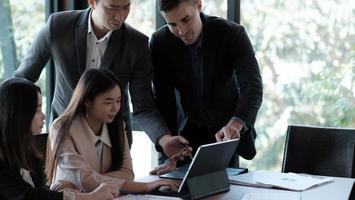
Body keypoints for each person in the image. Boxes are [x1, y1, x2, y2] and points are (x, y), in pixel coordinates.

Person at [14, 0, 189, 160]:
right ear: (92, 2)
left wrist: (165, 139)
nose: (120, 16)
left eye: (126, 7)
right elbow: (23, 79)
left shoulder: (136, 44)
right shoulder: (58, 26)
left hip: (113, 144)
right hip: (63, 139)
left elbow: (144, 106)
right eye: (112, 7)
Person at [150, 0, 263, 165]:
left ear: (199, 5)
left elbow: (252, 87)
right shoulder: (160, 42)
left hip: (224, 134)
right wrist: (167, 146)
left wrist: (236, 123)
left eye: (186, 20)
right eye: (172, 24)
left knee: (227, 189)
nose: (181, 31)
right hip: (183, 137)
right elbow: (163, 100)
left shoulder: (231, 34)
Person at [46, 69, 179, 193]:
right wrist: (145, 186)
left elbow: (127, 173)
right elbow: (86, 180)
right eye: (108, 102)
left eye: (119, 101)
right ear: (87, 101)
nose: (115, 108)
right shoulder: (61, 128)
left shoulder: (117, 125)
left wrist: (93, 179)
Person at [0, 78, 118, 200]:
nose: (43, 116)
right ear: (18, 114)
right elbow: (29, 196)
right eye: (37, 110)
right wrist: (91, 197)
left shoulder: (29, 153)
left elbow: (39, 193)